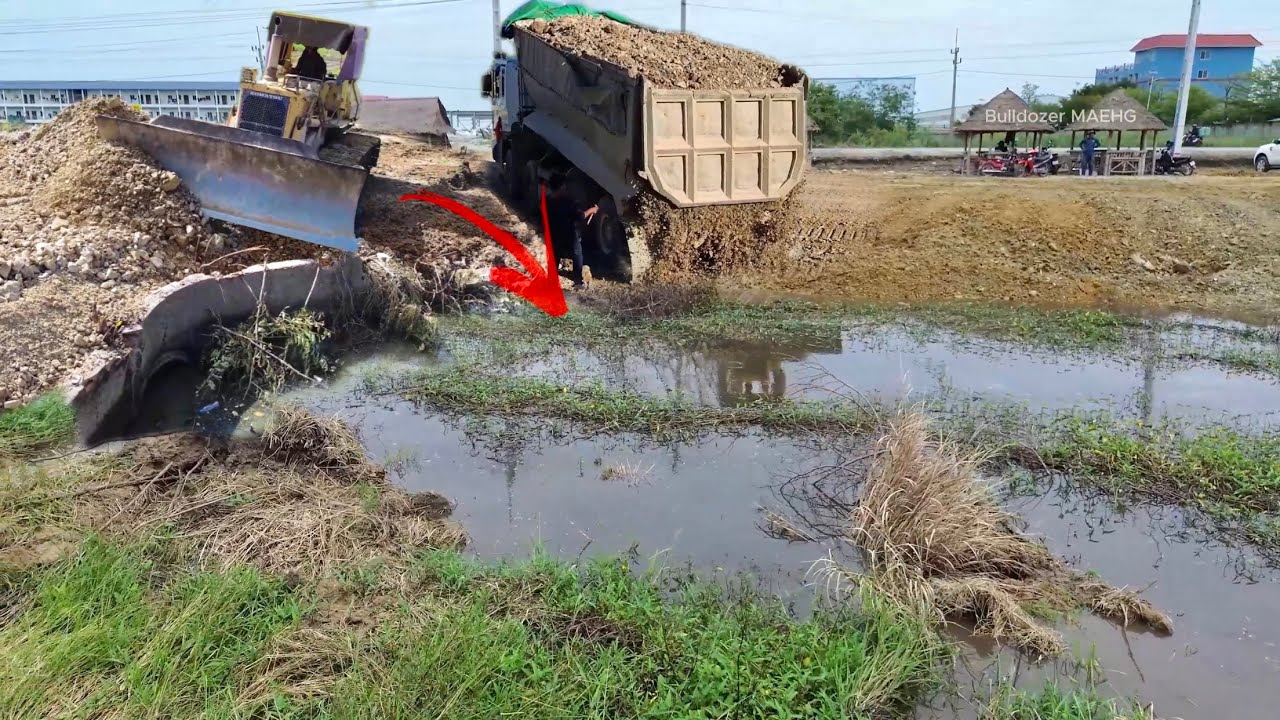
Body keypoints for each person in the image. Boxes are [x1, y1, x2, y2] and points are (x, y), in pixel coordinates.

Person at [545, 174, 600, 287]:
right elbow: (579, 216)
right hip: (569, 233)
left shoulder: (547, 200)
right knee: (577, 253)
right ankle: (578, 281)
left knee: (555, 253)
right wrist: (592, 210)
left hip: (554, 232)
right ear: (562, 187)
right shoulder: (568, 201)